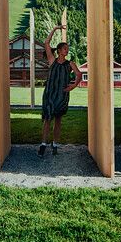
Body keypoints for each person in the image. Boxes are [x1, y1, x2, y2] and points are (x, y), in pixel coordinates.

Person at [39, 25, 82, 156]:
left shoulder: (70, 64)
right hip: (50, 94)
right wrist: (56, 29)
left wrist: (73, 86)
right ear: (58, 50)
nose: (67, 50)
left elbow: (79, 75)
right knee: (47, 119)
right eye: (64, 48)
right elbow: (46, 42)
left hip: (62, 95)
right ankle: (43, 144)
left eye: (67, 49)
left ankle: (55, 144)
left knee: (58, 120)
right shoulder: (52, 60)